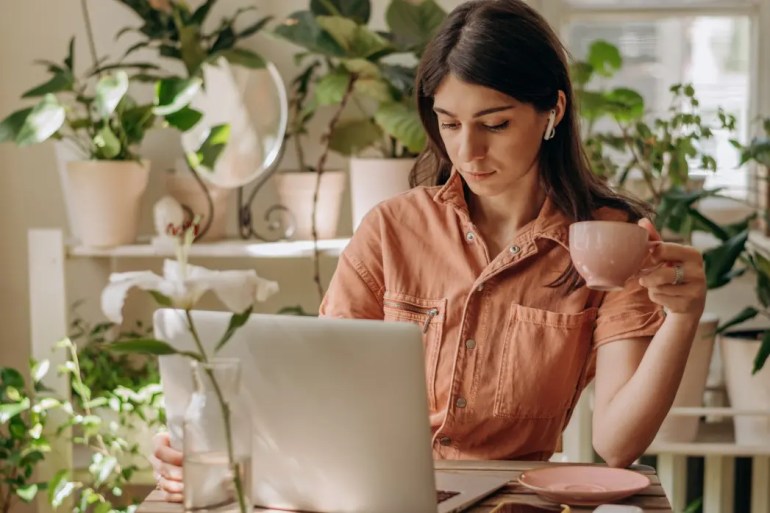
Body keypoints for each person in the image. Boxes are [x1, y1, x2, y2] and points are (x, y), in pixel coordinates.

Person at [151, 0, 706, 500]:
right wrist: (216, 445)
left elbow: (616, 444)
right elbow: (318, 394)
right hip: (376, 495)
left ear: (553, 112)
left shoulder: (607, 238)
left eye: (495, 123)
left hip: (512, 501)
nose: (469, 150)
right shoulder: (392, 229)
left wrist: (682, 318)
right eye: (449, 123)